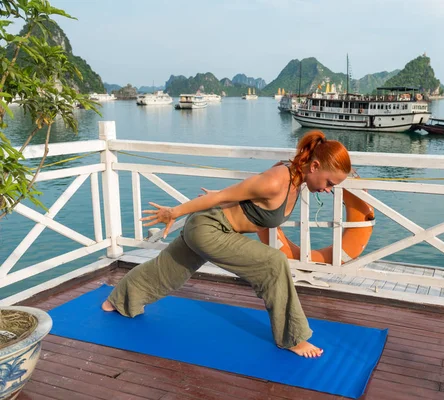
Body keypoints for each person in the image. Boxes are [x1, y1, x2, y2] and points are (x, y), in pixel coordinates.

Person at [101, 130, 351, 358]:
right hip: (209, 229)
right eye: (330, 183)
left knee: (168, 271)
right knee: (274, 263)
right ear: (315, 166)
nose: (329, 190)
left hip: (210, 226)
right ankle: (293, 337)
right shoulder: (276, 180)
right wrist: (173, 212)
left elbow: (245, 204)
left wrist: (220, 202)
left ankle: (117, 300)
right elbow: (219, 197)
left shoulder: (296, 180)